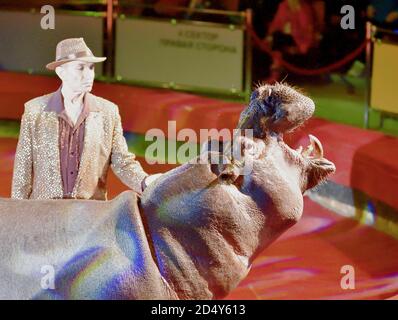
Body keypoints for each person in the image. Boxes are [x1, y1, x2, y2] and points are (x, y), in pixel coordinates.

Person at [11, 37, 158, 200]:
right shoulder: (34, 110)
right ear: (61, 72)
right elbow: (22, 170)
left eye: (91, 68)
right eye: (80, 68)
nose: (89, 75)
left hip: (88, 217)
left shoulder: (108, 112)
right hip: (45, 215)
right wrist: (16, 217)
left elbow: (122, 162)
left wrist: (145, 181)